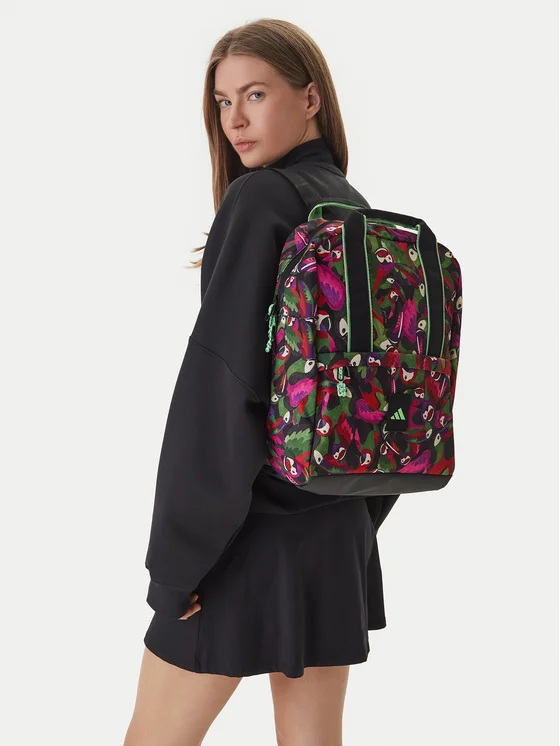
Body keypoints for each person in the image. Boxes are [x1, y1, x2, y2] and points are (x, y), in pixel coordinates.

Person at [124, 17, 399, 746]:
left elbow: (219, 393)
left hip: (246, 537)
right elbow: (385, 400)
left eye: (255, 94)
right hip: (338, 533)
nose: (235, 120)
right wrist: (353, 518)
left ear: (310, 98)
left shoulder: (260, 200)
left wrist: (177, 565)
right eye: (223, 101)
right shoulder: (355, 208)